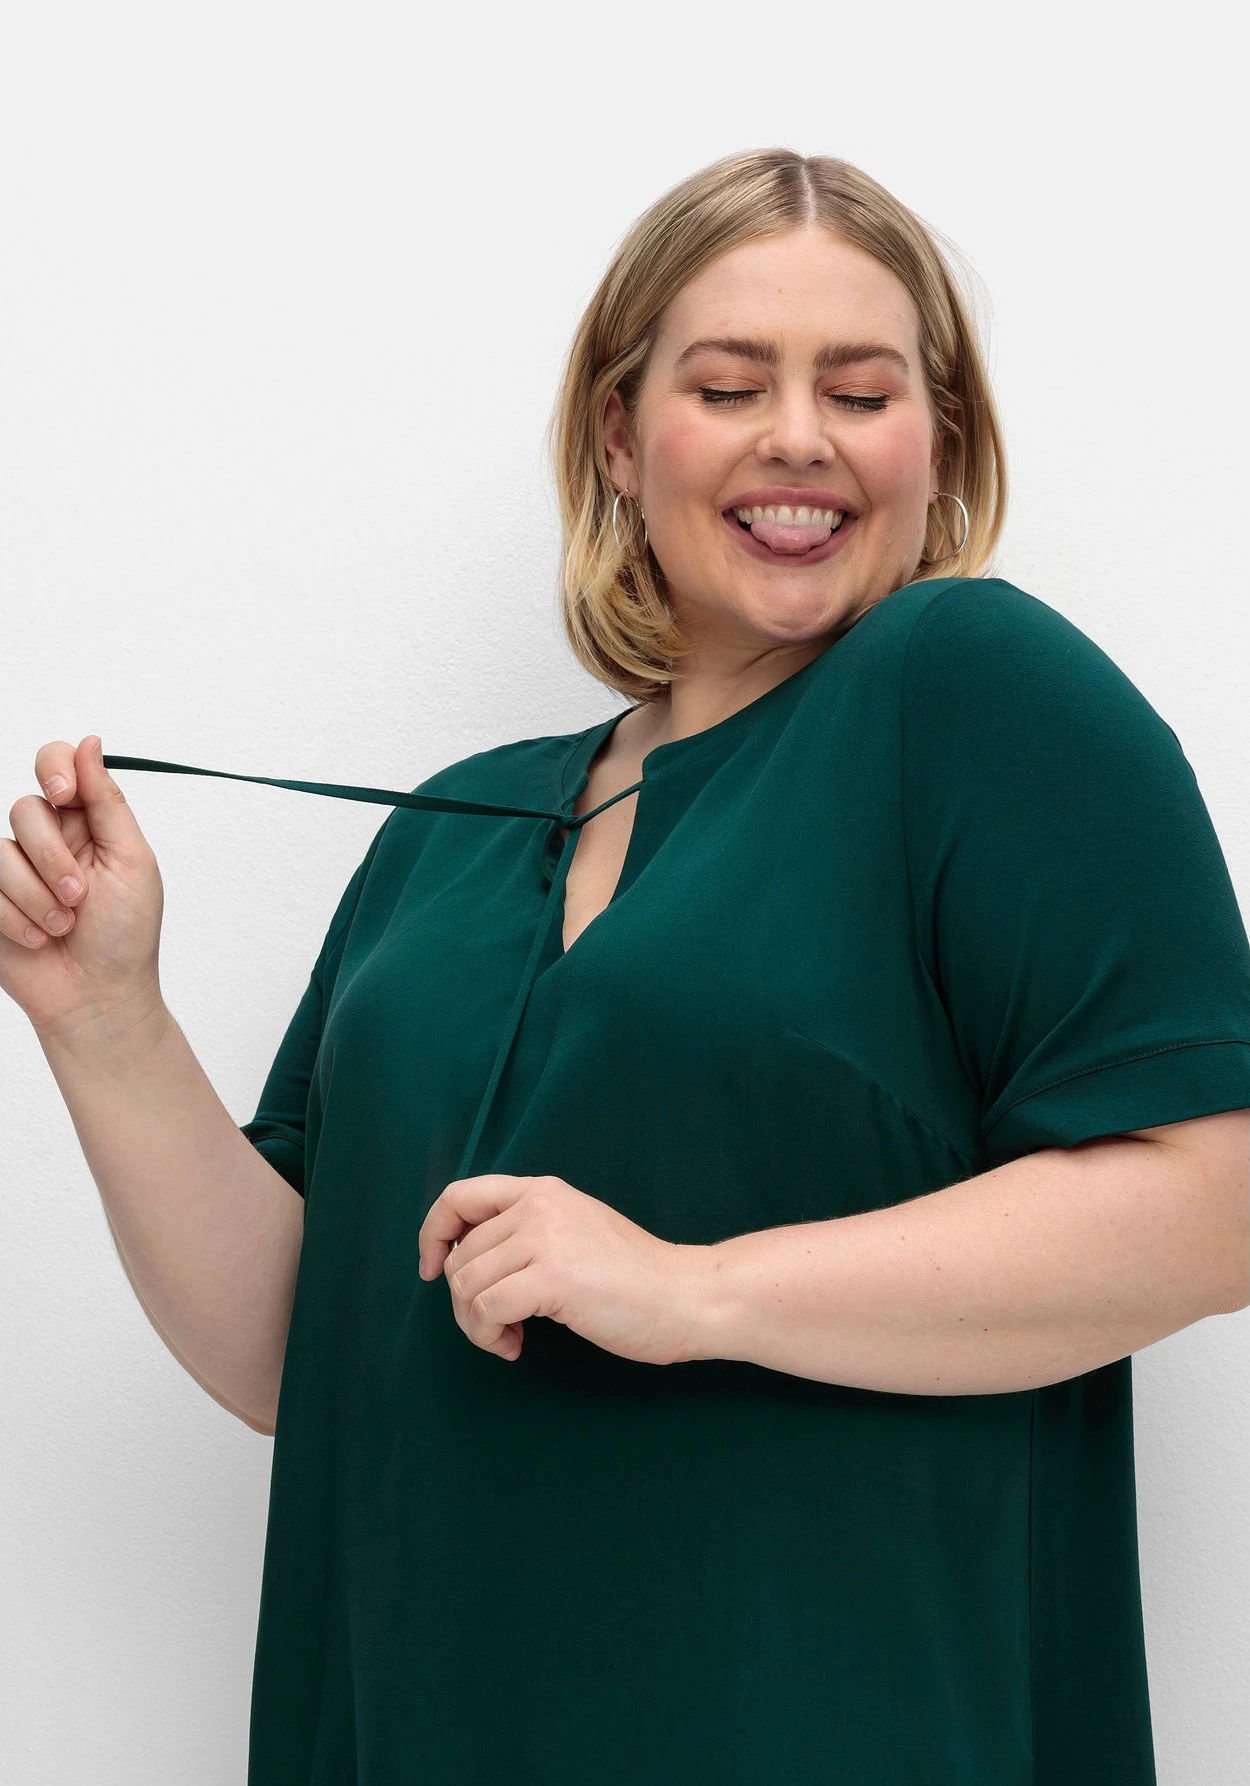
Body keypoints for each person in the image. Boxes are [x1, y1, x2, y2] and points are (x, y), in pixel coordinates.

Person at [5, 148, 1249, 1785]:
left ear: (937, 443)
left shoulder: (970, 691)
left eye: (859, 391)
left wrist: (692, 1287)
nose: (796, 435)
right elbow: (290, 1355)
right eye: (727, 385)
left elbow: (1213, 1200)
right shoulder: (452, 828)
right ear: (617, 435)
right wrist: (104, 1017)